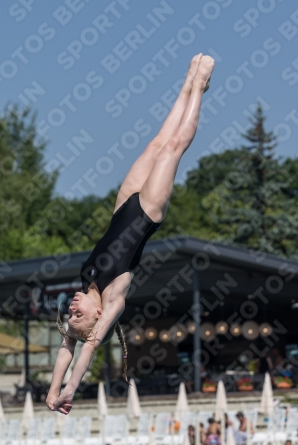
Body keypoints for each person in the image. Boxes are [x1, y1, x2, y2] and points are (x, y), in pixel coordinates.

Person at [45, 54, 215, 415]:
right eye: (77, 315)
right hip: (147, 212)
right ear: (96, 317)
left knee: (155, 143)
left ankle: (187, 81)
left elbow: (66, 346)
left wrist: (51, 389)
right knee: (172, 148)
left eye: (70, 313)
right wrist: (70, 389)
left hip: (122, 208)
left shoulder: (87, 282)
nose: (71, 308)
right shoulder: (114, 298)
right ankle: (199, 89)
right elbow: (85, 346)